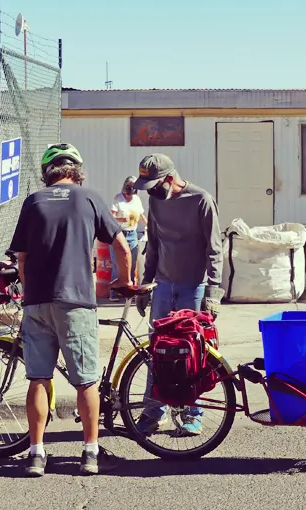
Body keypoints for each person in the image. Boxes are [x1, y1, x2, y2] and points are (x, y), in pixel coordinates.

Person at [8, 143, 133, 477]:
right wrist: (124, 281)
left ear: (47, 172)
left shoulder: (33, 201)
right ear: (77, 170)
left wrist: (31, 288)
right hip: (76, 301)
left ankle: (36, 455)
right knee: (86, 382)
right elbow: (120, 245)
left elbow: (20, 258)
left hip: (37, 302)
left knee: (38, 378)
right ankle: (90, 454)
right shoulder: (89, 197)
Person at [132, 153, 224, 436]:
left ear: (171, 179)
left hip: (192, 287)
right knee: (156, 350)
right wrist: (145, 284)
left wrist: (213, 292)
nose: (153, 192)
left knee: (191, 350)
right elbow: (154, 246)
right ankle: (152, 412)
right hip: (162, 285)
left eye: (156, 186)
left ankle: (192, 414)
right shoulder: (156, 200)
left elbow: (215, 250)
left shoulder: (201, 200)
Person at [109, 176, 147, 301]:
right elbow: (110, 217)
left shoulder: (136, 199)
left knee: (132, 263)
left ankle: (128, 292)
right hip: (120, 234)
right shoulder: (118, 199)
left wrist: (148, 226)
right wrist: (119, 219)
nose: (130, 195)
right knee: (118, 264)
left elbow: (141, 215)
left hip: (132, 234)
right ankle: (115, 293)